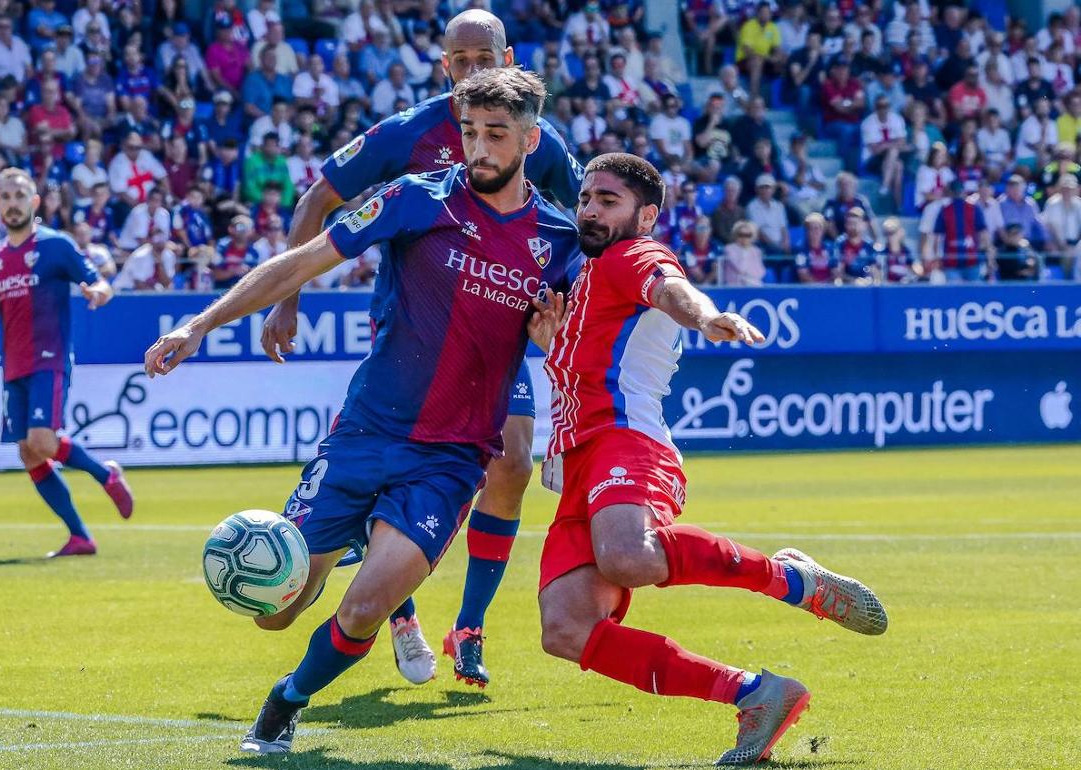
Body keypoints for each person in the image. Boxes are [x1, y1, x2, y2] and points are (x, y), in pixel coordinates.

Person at [143, 68, 579, 754]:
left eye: (497, 134)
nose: (480, 148)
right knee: (275, 612)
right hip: (365, 434)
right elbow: (302, 261)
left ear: (531, 139)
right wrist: (198, 324)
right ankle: (351, 538)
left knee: (366, 606)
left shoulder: (559, 241)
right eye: (470, 132)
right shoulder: (417, 199)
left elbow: (587, 344)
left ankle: (286, 701)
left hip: (449, 460)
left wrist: (557, 369)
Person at [256, 9, 585, 689]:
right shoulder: (409, 132)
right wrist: (288, 296)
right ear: (444, 66)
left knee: (514, 462)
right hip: (414, 325)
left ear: (508, 57)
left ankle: (468, 625)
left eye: (483, 58)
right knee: (399, 463)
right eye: (459, 61)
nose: (471, 71)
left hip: (500, 324)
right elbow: (319, 197)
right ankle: (382, 577)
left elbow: (588, 224)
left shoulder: (535, 139)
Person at [536, 153, 887, 767]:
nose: (589, 209)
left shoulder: (630, 257)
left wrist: (707, 317)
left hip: (628, 442)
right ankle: (756, 695)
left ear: (645, 216)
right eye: (586, 197)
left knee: (628, 556)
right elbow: (587, 364)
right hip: (580, 463)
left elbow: (671, 287)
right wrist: (554, 352)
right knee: (565, 630)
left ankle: (792, 581)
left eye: (607, 201)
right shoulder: (587, 279)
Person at [0, 168, 133, 558]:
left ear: (34, 202)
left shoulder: (56, 246)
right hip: (14, 365)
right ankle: (80, 537)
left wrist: (98, 292)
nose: (12, 204)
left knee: (42, 440)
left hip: (49, 357)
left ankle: (105, 474)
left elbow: (100, 282)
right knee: (28, 452)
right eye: (5, 197)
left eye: (19, 196)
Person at [927, 179, 995, 282]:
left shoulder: (946, 210)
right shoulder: (972, 209)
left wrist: (937, 258)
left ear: (950, 193)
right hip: (964, 259)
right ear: (964, 192)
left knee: (956, 294)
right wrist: (990, 258)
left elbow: (936, 238)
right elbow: (984, 234)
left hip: (959, 260)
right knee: (973, 294)